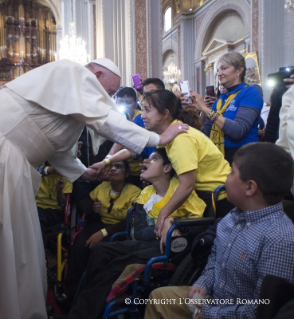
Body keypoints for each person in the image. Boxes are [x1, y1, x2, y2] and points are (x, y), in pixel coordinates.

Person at [0, 58, 187, 319]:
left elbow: (53, 144)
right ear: (96, 74)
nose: (109, 98)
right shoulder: (72, 72)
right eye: (110, 91)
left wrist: (81, 171)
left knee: (16, 244)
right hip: (6, 155)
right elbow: (105, 121)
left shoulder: (73, 95)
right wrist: (157, 138)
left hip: (16, 159)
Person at [144, 142, 294, 319]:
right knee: (158, 299)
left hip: (235, 313)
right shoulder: (233, 215)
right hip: (214, 299)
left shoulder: (280, 239)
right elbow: (215, 256)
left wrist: (209, 313)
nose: (225, 178)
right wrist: (204, 283)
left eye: (231, 172)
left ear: (250, 188)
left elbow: (260, 310)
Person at [67, 148, 206, 319]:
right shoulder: (145, 194)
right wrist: (160, 225)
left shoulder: (181, 190)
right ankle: (85, 305)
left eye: (153, 159)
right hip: (145, 242)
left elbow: (201, 226)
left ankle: (81, 314)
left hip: (169, 249)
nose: (144, 162)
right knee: (100, 251)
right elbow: (139, 232)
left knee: (114, 267)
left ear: (167, 168)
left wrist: (173, 222)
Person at [92, 90, 232, 237]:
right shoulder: (167, 135)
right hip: (201, 194)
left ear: (165, 114)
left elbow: (187, 184)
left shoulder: (180, 140)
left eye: (147, 110)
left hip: (216, 199)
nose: (142, 115)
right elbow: (133, 149)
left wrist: (164, 214)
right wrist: (107, 161)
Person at [63, 160, 140, 300]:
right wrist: (92, 207)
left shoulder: (135, 192)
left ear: (127, 173)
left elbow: (130, 220)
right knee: (79, 245)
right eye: (111, 166)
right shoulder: (103, 186)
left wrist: (104, 232)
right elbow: (85, 200)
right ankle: (72, 292)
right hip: (101, 224)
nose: (113, 169)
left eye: (119, 166)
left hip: (121, 231)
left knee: (98, 249)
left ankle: (91, 293)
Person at [192, 52, 263, 164]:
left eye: (224, 68)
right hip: (219, 155)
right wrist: (194, 111)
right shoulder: (220, 100)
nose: (219, 73)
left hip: (244, 156)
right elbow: (206, 133)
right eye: (218, 70)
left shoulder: (251, 92)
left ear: (239, 70)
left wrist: (206, 109)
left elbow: (238, 130)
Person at [36, 164, 73, 246]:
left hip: (54, 210)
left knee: (36, 219)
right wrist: (49, 170)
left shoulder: (65, 174)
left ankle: (39, 252)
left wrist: (59, 192)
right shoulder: (39, 166)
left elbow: (64, 204)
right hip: (35, 206)